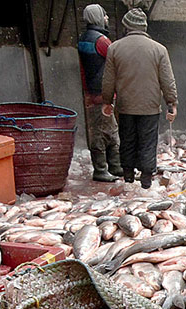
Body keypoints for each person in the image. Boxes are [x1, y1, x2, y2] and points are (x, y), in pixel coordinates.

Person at [101, 9, 177, 189]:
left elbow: (108, 79)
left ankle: (128, 176)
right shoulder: (159, 49)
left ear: (126, 26)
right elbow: (167, 80)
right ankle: (146, 179)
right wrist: (171, 102)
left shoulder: (114, 48)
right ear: (144, 27)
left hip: (125, 105)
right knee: (148, 141)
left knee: (127, 140)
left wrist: (107, 101)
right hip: (150, 106)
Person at [77, 4, 121, 182]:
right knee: (102, 131)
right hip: (103, 92)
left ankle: (115, 166)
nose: (107, 18)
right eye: (104, 15)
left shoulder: (84, 38)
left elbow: (83, 69)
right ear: (97, 17)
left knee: (109, 127)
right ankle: (101, 169)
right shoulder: (101, 40)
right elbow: (116, 61)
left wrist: (86, 91)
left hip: (94, 90)